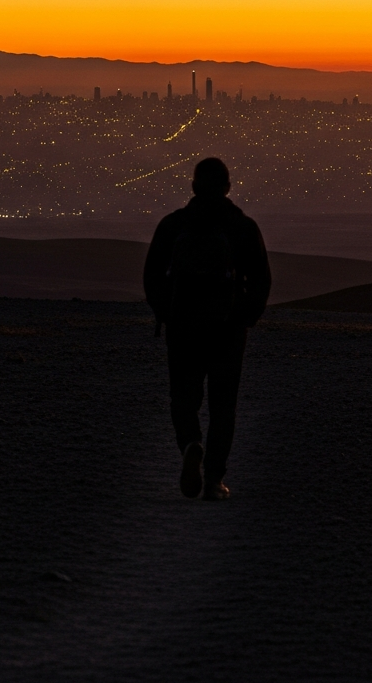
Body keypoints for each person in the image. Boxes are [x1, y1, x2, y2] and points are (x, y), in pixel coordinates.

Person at [143, 157, 271, 501]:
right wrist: (244, 317)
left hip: (183, 325)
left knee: (183, 398)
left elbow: (152, 275)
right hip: (227, 329)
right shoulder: (242, 227)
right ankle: (214, 480)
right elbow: (260, 278)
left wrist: (166, 312)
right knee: (223, 405)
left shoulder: (174, 225)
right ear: (227, 187)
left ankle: (190, 443)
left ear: (194, 186)